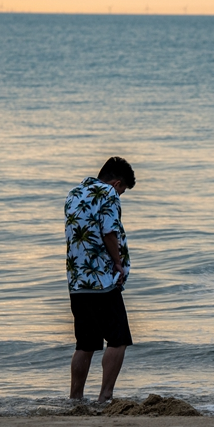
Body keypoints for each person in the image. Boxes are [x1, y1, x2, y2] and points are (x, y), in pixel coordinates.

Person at [65, 156, 136, 402]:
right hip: (102, 281)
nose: (121, 195)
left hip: (77, 282)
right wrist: (118, 262)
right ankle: (105, 397)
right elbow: (108, 232)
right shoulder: (108, 194)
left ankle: (75, 399)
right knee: (118, 340)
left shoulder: (74, 194)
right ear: (117, 183)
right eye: (123, 191)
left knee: (84, 344)